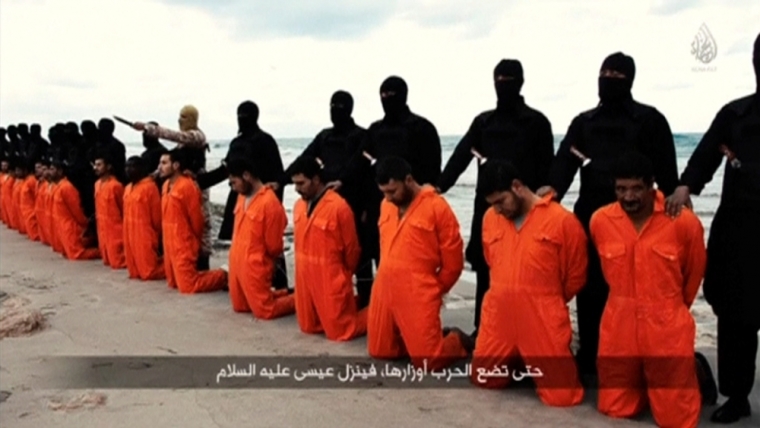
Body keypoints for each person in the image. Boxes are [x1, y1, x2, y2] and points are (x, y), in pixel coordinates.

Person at [537, 52, 680, 376]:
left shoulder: (650, 120)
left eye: (615, 74)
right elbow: (562, 169)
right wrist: (547, 195)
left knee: (636, 291)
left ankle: (638, 359)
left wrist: (678, 200)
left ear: (629, 79)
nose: (608, 79)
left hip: (637, 223)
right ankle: (590, 356)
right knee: (590, 291)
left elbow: (668, 177)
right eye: (604, 73)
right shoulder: (583, 123)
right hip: (591, 218)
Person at [665, 32, 760, 424]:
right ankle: (736, 396)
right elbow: (704, 154)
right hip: (739, 231)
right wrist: (687, 185)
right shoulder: (735, 114)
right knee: (735, 314)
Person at [437, 59, 555, 337]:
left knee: (526, 271)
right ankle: (484, 330)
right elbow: (461, 156)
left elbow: (548, 169)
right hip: (487, 209)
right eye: (499, 79)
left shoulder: (537, 122)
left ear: (521, 82)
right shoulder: (483, 122)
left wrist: (547, 198)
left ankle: (527, 331)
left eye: (509, 79)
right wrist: (438, 186)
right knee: (485, 271)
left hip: (526, 212)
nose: (503, 84)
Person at [591, 152, 706, 428]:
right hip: (619, 321)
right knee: (616, 409)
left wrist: (673, 310)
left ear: (652, 185)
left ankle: (697, 370)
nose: (628, 197)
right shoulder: (600, 221)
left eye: (636, 189)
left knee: (676, 420)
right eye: (621, 189)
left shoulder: (682, 221)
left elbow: (693, 273)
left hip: (666, 319)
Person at [469, 159, 587, 406]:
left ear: (517, 186)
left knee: (563, 397)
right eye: (492, 204)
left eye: (501, 201)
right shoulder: (490, 218)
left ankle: (546, 358)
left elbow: (575, 275)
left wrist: (545, 299)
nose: (498, 209)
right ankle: (521, 359)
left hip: (541, 315)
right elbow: (493, 262)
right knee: (483, 378)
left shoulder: (561, 221)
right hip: (500, 314)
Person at [330, 77, 442, 307]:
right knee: (377, 255)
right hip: (378, 205)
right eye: (383, 95)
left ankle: (415, 306)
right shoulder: (375, 130)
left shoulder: (422, 128)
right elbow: (360, 161)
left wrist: (433, 193)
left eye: (391, 95)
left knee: (413, 258)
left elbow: (433, 173)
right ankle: (373, 305)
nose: (386, 99)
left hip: (414, 206)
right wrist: (341, 181)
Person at [366, 156, 472, 371]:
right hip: (385, 286)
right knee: (380, 351)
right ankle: (417, 338)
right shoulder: (386, 205)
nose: (388, 197)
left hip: (418, 290)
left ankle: (457, 341)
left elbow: (453, 263)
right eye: (384, 192)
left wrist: (432, 291)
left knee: (428, 362)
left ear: (408, 180)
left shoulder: (437, 207)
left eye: (392, 191)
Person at [280, 91, 373, 308]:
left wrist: (366, 205)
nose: (335, 111)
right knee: (330, 253)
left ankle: (366, 302)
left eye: (339, 107)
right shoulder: (325, 137)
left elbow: (367, 172)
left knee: (359, 253)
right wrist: (281, 180)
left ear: (349, 109)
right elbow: (302, 160)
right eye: (332, 106)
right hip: (324, 202)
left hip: (354, 200)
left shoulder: (362, 136)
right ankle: (331, 298)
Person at [290, 155, 366, 341]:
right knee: (308, 327)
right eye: (295, 184)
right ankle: (355, 304)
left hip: (330, 276)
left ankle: (378, 311)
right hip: (304, 278)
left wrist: (342, 276)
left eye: (301, 183)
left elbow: (352, 249)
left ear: (316, 179)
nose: (297, 189)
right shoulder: (299, 206)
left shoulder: (339, 207)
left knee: (340, 332)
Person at [132, 105, 214, 271]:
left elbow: (176, 136)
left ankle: (203, 260)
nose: (179, 120)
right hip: (183, 186)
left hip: (198, 185)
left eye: (184, 117)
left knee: (203, 220)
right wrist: (152, 176)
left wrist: (150, 128)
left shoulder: (196, 136)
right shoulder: (181, 146)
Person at [226, 157, 294, 319]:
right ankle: (284, 293)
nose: (233, 188)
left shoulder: (270, 203)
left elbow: (274, 246)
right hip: (237, 263)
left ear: (247, 175)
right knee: (240, 307)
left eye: (233, 182)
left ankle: (300, 298)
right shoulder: (242, 197)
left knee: (265, 310)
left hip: (255, 265)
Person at [159, 148, 227, 294]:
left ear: (176, 165)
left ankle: (224, 275)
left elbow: (197, 219)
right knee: (173, 282)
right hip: (169, 242)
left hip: (183, 242)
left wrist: (194, 241)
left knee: (188, 286)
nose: (160, 167)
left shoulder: (187, 186)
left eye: (164, 163)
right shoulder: (165, 186)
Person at [123, 156, 165, 281]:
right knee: (134, 272)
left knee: (148, 273)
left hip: (144, 234)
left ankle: (171, 265)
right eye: (127, 167)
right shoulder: (128, 188)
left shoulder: (150, 187)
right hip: (129, 233)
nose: (128, 170)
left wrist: (154, 235)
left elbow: (157, 217)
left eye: (132, 167)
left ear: (142, 169)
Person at [49, 160, 101, 261]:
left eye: (52, 169)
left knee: (76, 254)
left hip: (70, 227)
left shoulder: (67, 187)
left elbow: (76, 209)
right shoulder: (58, 187)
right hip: (62, 225)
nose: (49, 172)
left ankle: (101, 252)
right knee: (67, 252)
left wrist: (84, 224)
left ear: (60, 171)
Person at [93, 152, 126, 269]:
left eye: (99, 165)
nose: (95, 168)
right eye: (95, 165)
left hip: (115, 228)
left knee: (117, 263)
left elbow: (123, 207)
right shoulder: (97, 184)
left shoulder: (116, 185)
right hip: (102, 227)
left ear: (108, 167)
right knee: (107, 260)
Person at [19, 159, 42, 241]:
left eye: (39, 167)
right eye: (36, 167)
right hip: (28, 208)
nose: (37, 169)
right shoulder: (30, 180)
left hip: (32, 208)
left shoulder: (32, 180)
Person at [34, 159, 51, 246]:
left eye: (43, 169)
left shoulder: (49, 185)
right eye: (37, 168)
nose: (39, 170)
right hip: (40, 213)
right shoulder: (38, 182)